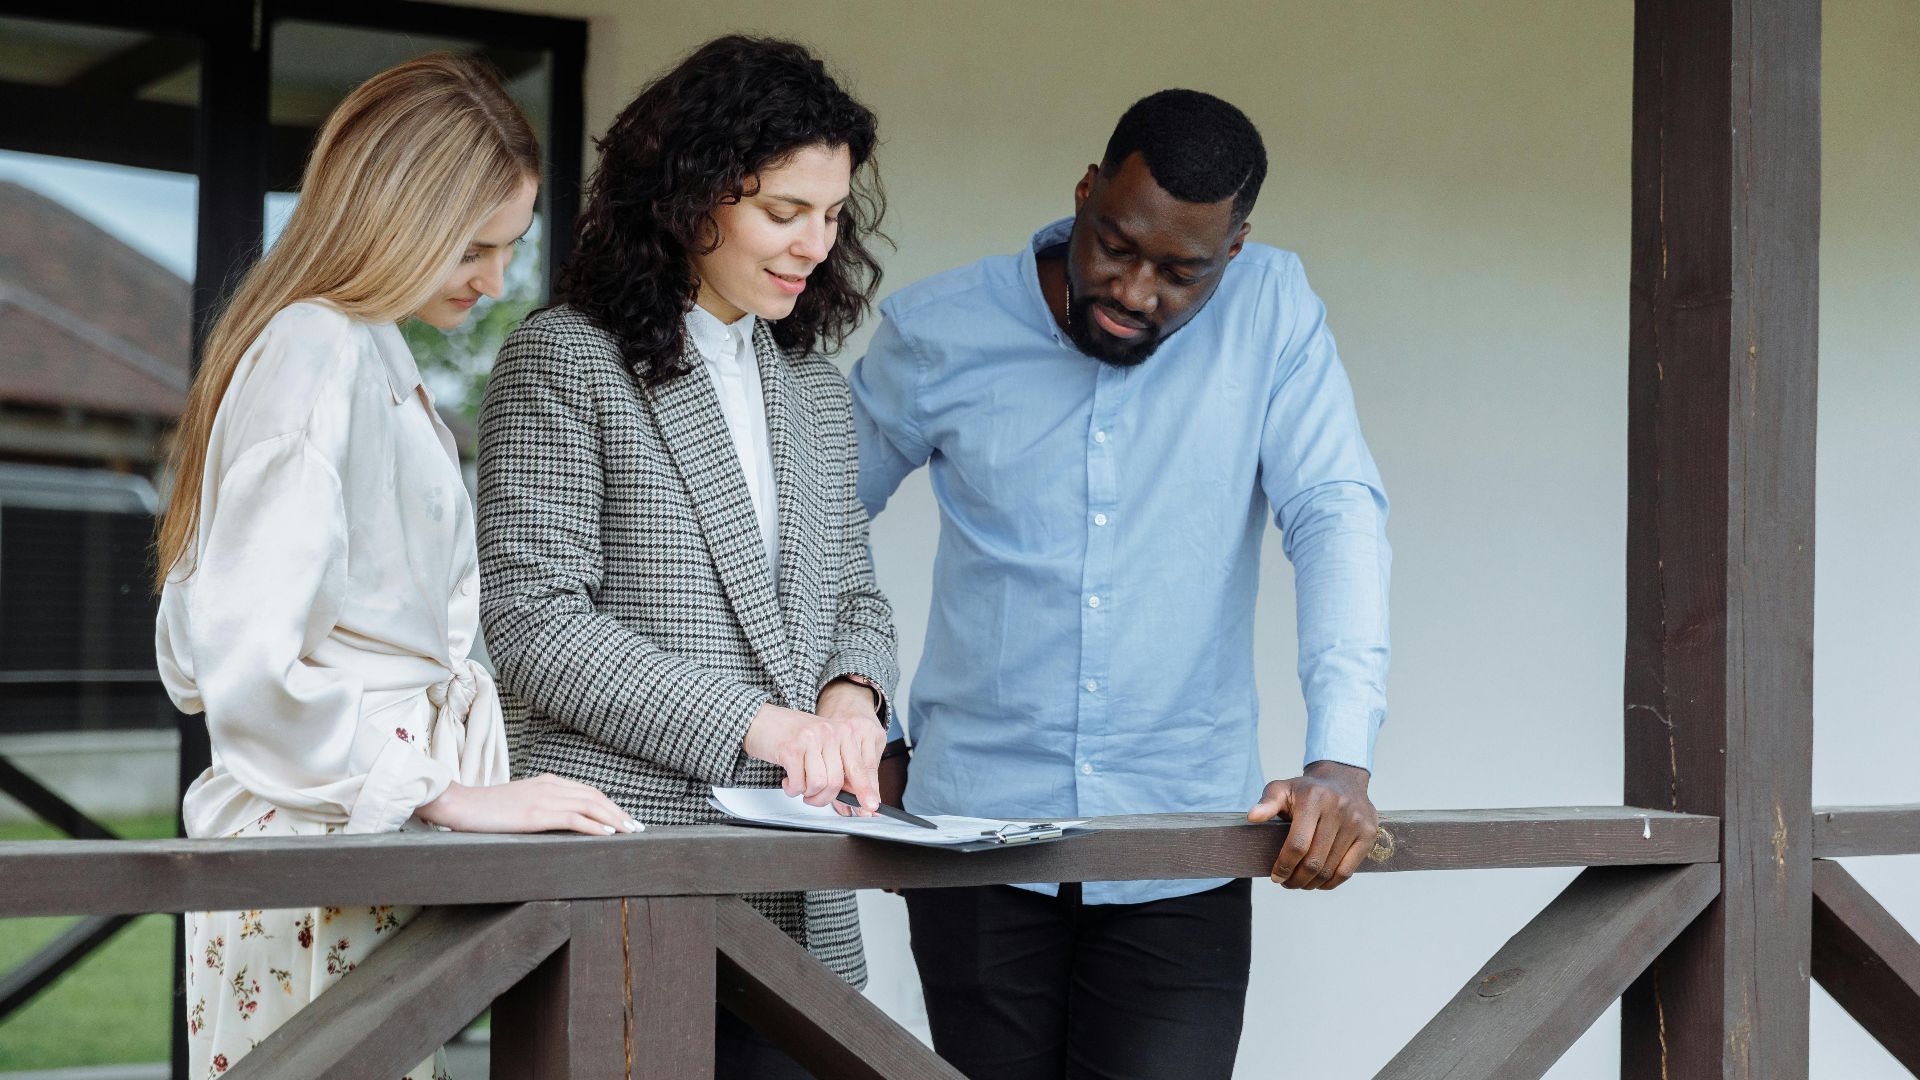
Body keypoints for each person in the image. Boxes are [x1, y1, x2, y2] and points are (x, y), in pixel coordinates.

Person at [852, 89, 1392, 1079]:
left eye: (1181, 271)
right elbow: (814, 531)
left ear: (1232, 253)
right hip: (971, 837)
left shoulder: (1273, 312)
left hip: (1183, 847)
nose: (1136, 290)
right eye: (1115, 245)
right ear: (1086, 192)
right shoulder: (939, 329)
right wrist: (864, 724)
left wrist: (1340, 761)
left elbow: (1336, 512)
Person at [154, 54, 634, 1079]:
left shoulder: (355, 347)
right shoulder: (317, 349)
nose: (496, 280)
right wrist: (441, 792)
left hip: (342, 835)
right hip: (319, 838)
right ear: (397, 215)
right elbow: (244, 658)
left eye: (511, 248)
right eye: (474, 246)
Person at [475, 35, 897, 1078]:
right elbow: (535, 626)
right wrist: (769, 726)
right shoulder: (565, 359)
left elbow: (855, 597)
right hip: (621, 884)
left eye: (833, 214)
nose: (814, 244)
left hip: (799, 899)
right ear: (689, 195)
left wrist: (850, 700)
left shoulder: (813, 387)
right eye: (783, 211)